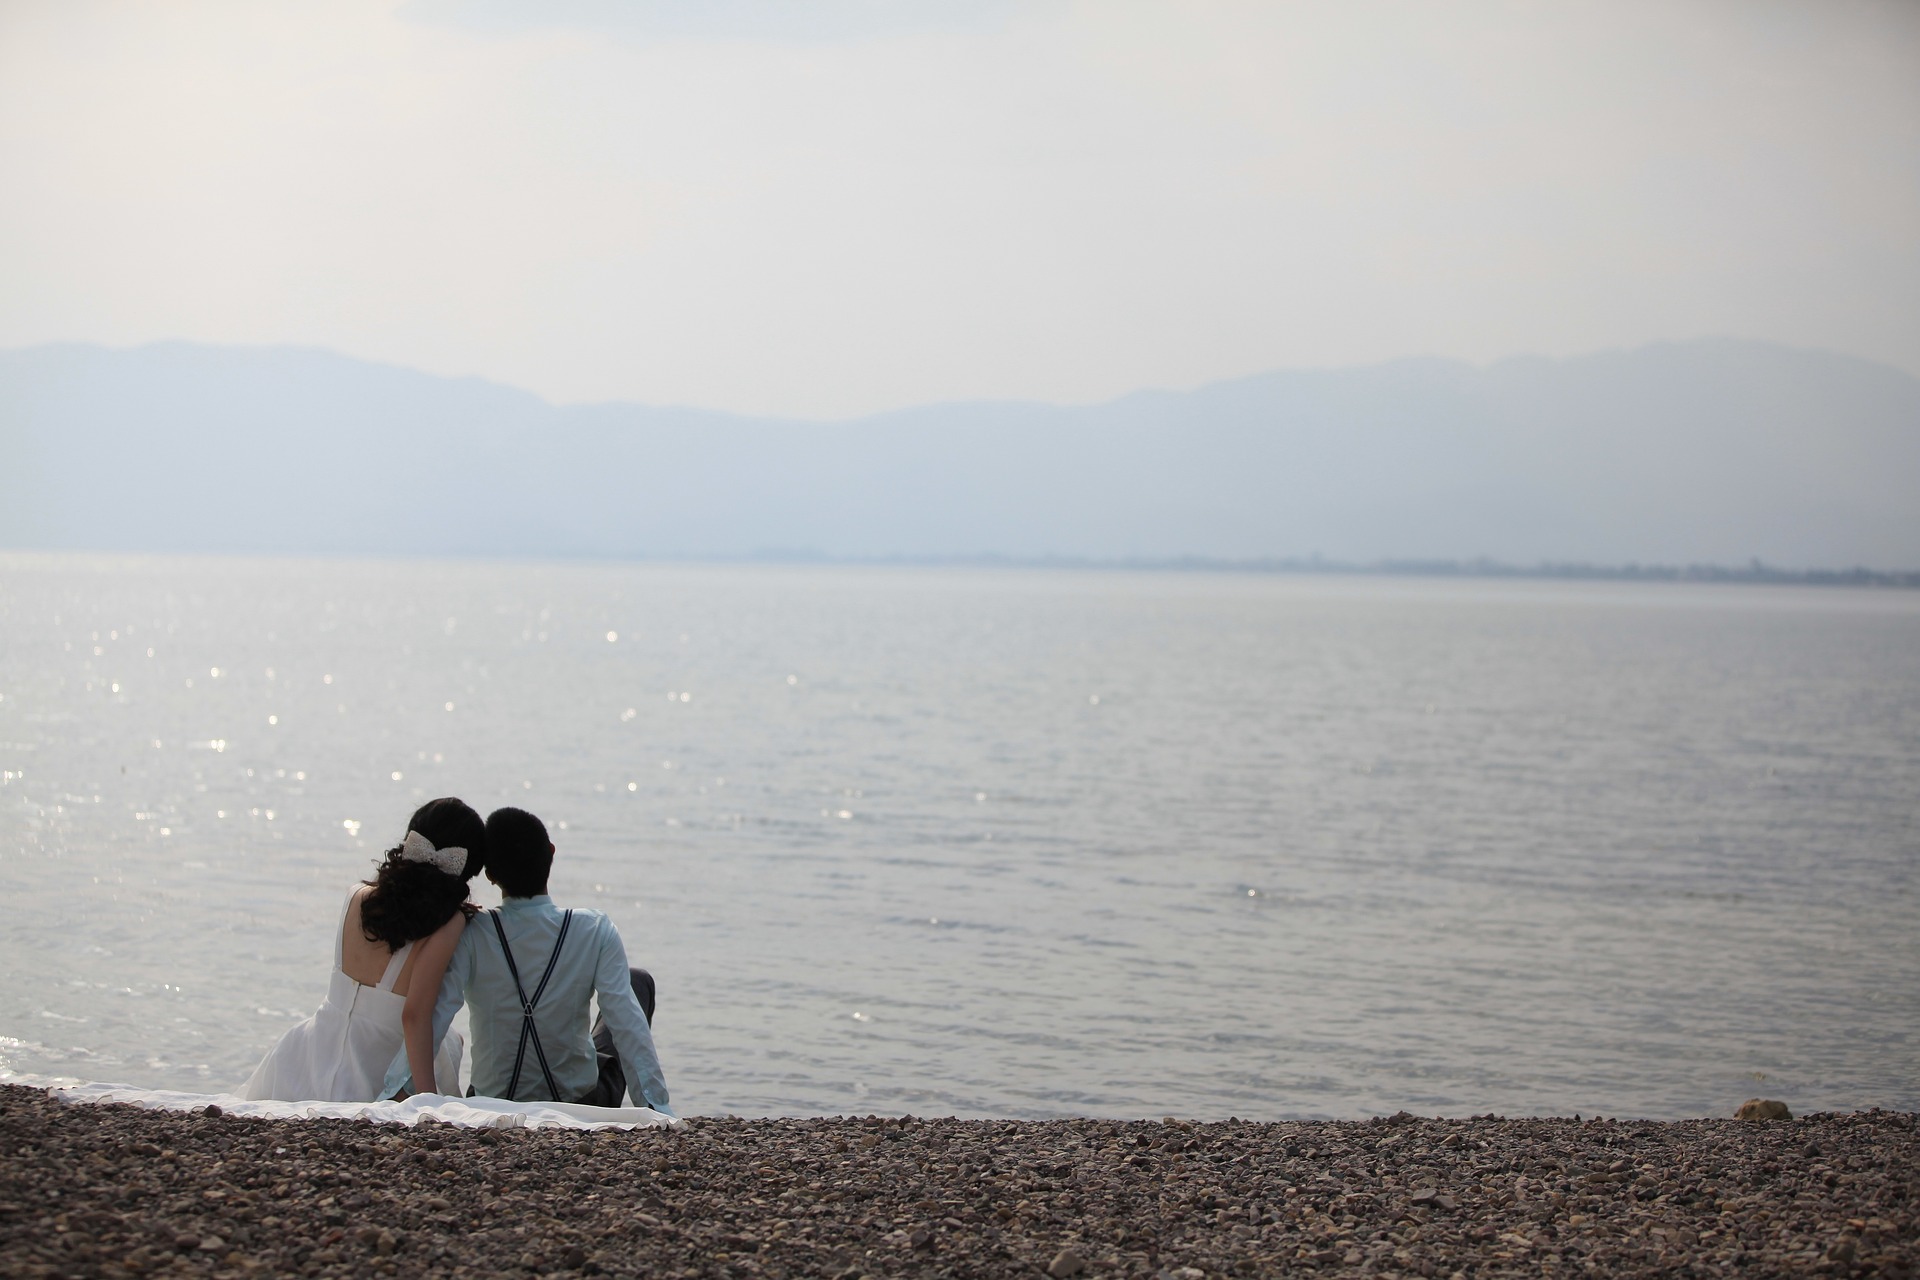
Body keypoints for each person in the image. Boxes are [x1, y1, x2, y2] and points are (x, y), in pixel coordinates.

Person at [382, 806, 671, 1113]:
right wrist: (658, 1112)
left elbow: (436, 1016)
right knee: (636, 982)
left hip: (490, 1102)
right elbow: (627, 1027)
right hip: (578, 1102)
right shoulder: (595, 929)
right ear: (551, 852)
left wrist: (396, 1091)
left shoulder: (471, 931)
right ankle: (650, 1102)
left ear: (490, 875)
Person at [237, 797, 483, 1103]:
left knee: (449, 1040)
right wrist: (427, 1101)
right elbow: (414, 1015)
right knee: (449, 1042)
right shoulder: (450, 922)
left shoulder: (358, 895)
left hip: (306, 1055)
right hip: (373, 1067)